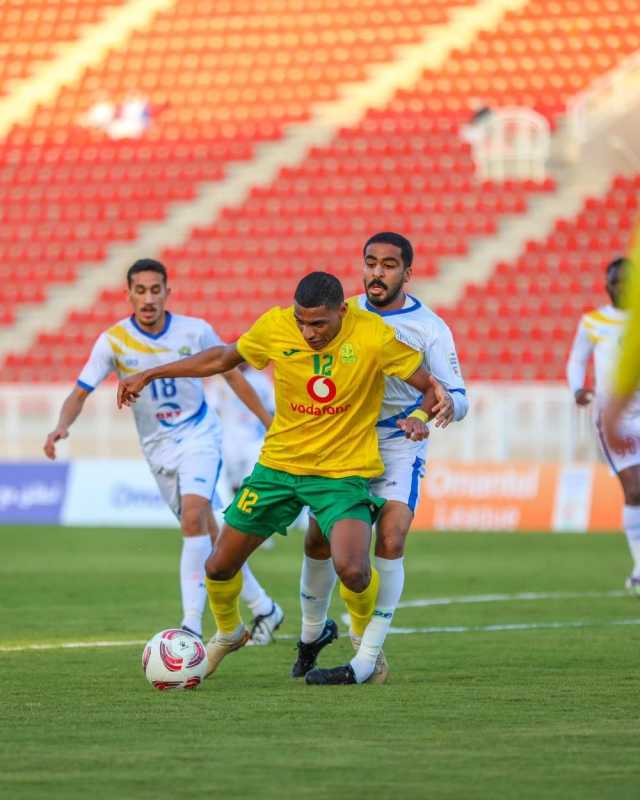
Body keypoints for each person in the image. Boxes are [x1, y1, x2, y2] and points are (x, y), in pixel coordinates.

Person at [117, 271, 450, 685]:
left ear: (341, 312)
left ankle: (365, 642)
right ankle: (229, 632)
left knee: (354, 570)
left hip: (342, 473)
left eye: (318, 324)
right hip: (278, 468)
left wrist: (420, 416)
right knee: (218, 566)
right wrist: (150, 373)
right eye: (301, 321)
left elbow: (431, 388)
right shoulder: (276, 325)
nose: (308, 332)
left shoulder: (373, 334)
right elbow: (223, 357)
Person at [44, 258, 284, 642]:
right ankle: (265, 608)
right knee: (207, 531)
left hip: (199, 434)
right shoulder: (113, 341)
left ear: (168, 292)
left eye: (156, 289)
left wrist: (268, 420)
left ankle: (190, 623)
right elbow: (79, 392)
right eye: (141, 290)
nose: (149, 298)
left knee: (193, 518)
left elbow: (233, 377)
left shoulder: (196, 330)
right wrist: (61, 426)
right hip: (157, 448)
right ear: (129, 295)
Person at [294, 232, 468, 684]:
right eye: (370, 262)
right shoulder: (343, 313)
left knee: (390, 539)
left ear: (407, 274)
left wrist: (430, 412)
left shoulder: (430, 327)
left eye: (388, 265)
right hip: (346, 439)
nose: (376, 272)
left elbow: (459, 396)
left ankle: (365, 660)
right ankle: (311, 634)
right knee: (318, 541)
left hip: (398, 441)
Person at [567, 256, 640, 595]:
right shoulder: (594, 321)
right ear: (608, 284)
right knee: (635, 489)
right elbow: (577, 358)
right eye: (617, 281)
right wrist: (578, 388)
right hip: (614, 418)